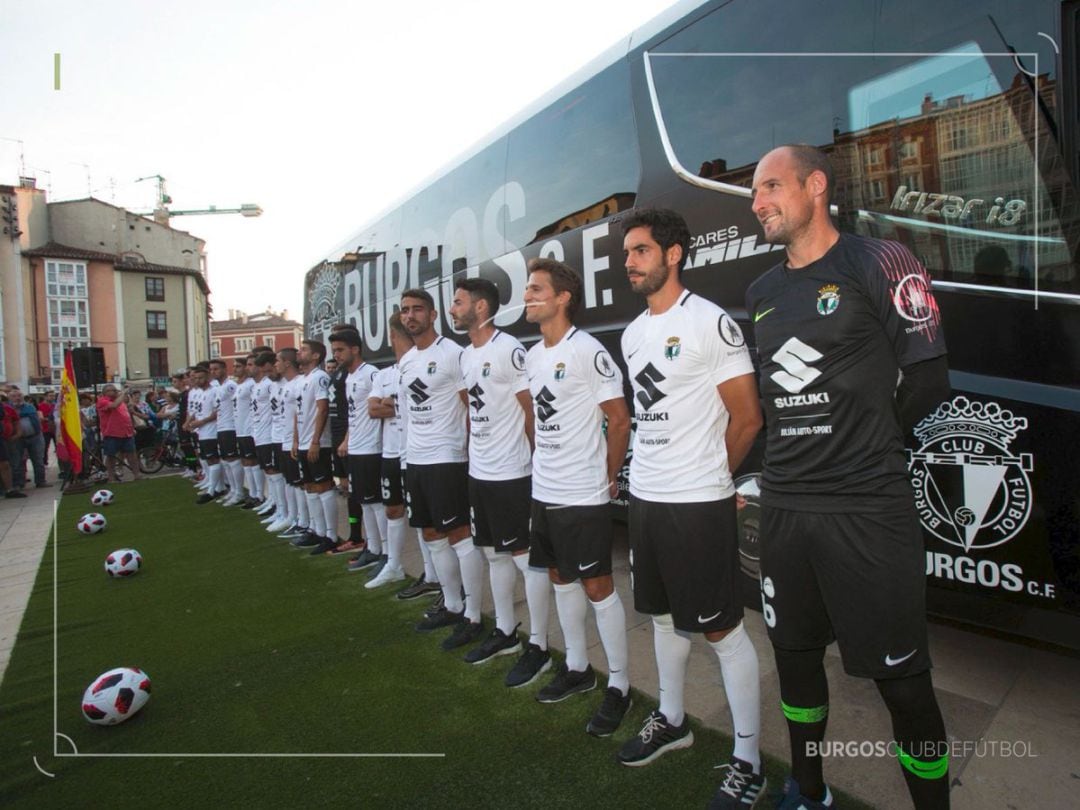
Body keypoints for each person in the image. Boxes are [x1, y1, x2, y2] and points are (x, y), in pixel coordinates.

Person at [747, 144, 951, 810]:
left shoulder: (880, 261)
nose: (758, 203)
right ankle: (809, 791)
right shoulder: (761, 292)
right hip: (786, 512)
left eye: (770, 187)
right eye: (754, 193)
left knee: (904, 684)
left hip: (867, 510)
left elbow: (928, 378)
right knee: (794, 661)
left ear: (815, 185)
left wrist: (868, 445)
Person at [617, 208, 766, 806]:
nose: (629, 262)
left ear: (673, 254)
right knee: (660, 617)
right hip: (645, 499)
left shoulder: (709, 322)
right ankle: (672, 720)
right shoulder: (632, 334)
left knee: (722, 629)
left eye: (641, 251)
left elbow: (748, 418)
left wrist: (710, 478)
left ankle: (749, 761)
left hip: (697, 504)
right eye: (627, 253)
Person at [522, 258, 633, 736]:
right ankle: (577, 667)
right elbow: (537, 418)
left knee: (597, 586)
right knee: (559, 576)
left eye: (536, 289)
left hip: (582, 493)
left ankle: (620, 686)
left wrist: (607, 476)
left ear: (563, 297)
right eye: (527, 289)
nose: (527, 297)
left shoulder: (587, 350)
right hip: (544, 490)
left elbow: (620, 419)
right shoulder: (533, 356)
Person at [450, 277, 555, 685]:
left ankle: (539, 646)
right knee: (494, 554)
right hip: (480, 472)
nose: (453, 309)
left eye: (459, 302)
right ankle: (506, 631)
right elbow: (471, 406)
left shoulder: (509, 349)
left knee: (525, 559)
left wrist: (535, 459)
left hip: (512, 472)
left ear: (480, 307)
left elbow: (531, 411)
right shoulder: (465, 355)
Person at [398, 287, 484, 650]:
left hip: (447, 458)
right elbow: (406, 414)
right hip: (415, 460)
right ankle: (451, 605)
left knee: (459, 535)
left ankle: (474, 616)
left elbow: (472, 408)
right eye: (405, 310)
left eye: (418, 309)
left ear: (433, 315)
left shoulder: (453, 353)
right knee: (431, 534)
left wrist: (469, 452)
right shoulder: (406, 361)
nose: (410, 316)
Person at [330, 329, 383, 559]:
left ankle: (384, 552)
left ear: (355, 349)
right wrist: (347, 439)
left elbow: (386, 405)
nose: (336, 355)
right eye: (334, 351)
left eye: (340, 350)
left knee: (376, 503)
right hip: (356, 448)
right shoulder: (349, 377)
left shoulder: (371, 374)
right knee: (363, 502)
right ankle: (372, 548)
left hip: (372, 448)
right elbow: (355, 414)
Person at [289, 340, 339, 551]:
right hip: (303, 442)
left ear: (316, 356)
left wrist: (316, 441)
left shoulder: (319, 377)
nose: (299, 352)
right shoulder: (302, 380)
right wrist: (295, 440)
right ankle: (317, 531)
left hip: (318, 443)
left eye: (304, 350)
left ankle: (331, 535)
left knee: (323, 486)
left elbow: (323, 409)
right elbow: (297, 412)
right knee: (309, 487)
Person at [184, 364, 224, 502]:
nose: (197, 380)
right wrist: (189, 422)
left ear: (207, 377)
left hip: (211, 430)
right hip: (202, 431)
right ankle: (217, 487)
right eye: (196, 378)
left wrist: (202, 422)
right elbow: (196, 411)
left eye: (200, 378)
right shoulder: (201, 393)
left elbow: (218, 412)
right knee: (208, 459)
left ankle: (213, 490)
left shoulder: (214, 391)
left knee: (213, 459)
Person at [209, 358, 244, 506]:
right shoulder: (218, 388)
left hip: (230, 427)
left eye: (216, 369)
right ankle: (233, 490)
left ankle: (239, 492)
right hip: (221, 426)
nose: (213, 372)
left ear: (224, 369)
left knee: (233, 459)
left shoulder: (230, 385)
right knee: (225, 460)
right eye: (211, 369)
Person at [95, 385, 140, 484]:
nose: (114, 392)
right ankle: (111, 478)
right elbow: (114, 406)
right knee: (111, 456)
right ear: (105, 393)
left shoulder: (121, 401)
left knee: (132, 454)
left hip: (126, 433)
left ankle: (137, 475)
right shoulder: (102, 401)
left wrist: (131, 428)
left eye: (115, 390)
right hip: (111, 433)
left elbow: (127, 414)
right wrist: (123, 393)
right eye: (111, 390)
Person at [38, 391, 57, 466]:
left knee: (58, 446)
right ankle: (44, 462)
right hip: (45, 429)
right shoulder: (40, 406)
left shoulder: (55, 406)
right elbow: (41, 418)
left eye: (53, 396)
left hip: (55, 429)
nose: (52, 397)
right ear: (45, 397)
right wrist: (49, 419)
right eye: (50, 396)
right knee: (45, 447)